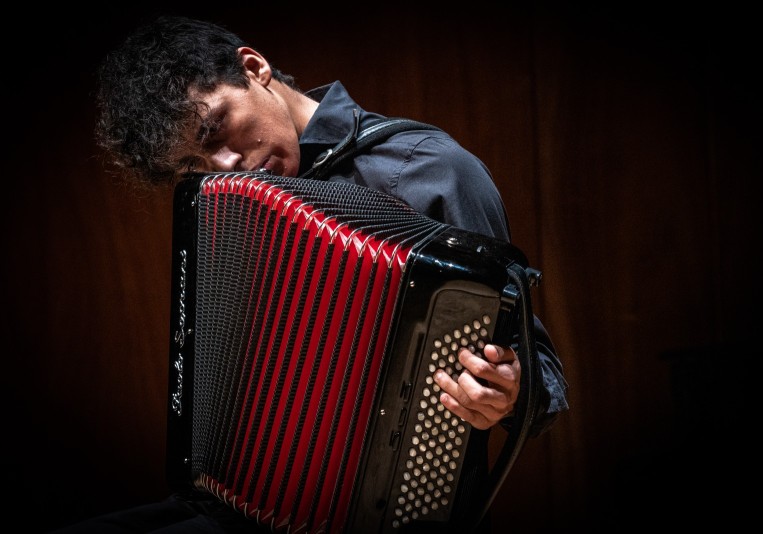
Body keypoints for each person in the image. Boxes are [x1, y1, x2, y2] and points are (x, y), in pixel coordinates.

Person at [59, 15, 568, 533]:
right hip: (250, 500)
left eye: (214, 128)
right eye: (194, 162)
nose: (225, 164)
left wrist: (510, 388)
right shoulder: (222, 208)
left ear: (254, 68)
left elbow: (543, 378)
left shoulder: (427, 169)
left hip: (383, 512)